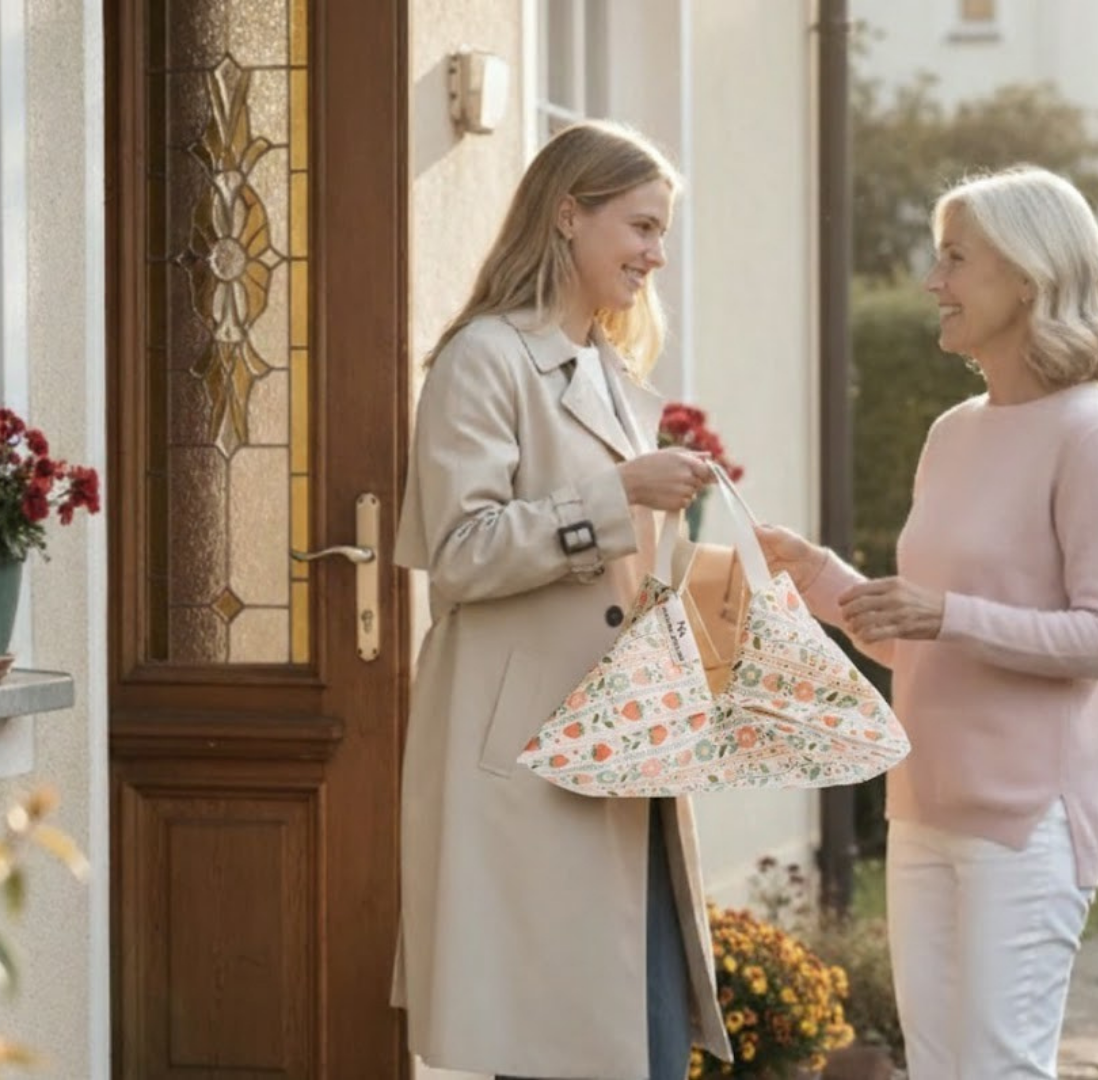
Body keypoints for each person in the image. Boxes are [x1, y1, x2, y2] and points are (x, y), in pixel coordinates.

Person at [758, 166, 1098, 1078]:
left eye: (956, 259)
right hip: (921, 807)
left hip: (1027, 822)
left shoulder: (1090, 433)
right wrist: (813, 573)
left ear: (1028, 276)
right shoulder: (952, 433)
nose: (934, 281)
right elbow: (915, 641)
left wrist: (949, 613)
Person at [389, 120, 732, 1080]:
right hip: (533, 763)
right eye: (641, 227)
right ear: (568, 214)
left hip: (622, 747)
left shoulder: (617, 376)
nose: (656, 256)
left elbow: (625, 575)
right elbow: (457, 555)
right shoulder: (483, 359)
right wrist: (619, 497)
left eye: (663, 234)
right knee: (560, 1048)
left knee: (642, 1042)